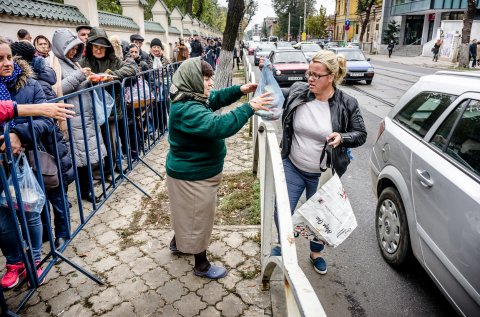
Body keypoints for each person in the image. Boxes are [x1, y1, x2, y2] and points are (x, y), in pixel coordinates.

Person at [166, 57, 272, 279]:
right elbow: (219, 126)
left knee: (185, 213)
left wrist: (240, 90)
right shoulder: (187, 109)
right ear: (193, 80)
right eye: (205, 78)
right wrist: (248, 107)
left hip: (193, 173)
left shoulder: (191, 97)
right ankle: (201, 266)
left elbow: (214, 98)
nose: (211, 82)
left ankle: (178, 243)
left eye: (211, 77)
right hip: (194, 176)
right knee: (198, 219)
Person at [269, 50, 367, 274]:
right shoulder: (298, 92)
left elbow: (360, 133)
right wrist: (260, 91)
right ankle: (285, 245)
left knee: (320, 219)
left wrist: (343, 137)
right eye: (308, 73)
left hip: (323, 173)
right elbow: (276, 96)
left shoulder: (347, 103)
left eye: (316, 75)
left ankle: (315, 253)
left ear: (330, 77)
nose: (310, 79)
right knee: (281, 210)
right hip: (293, 165)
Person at [0, 39, 66, 288]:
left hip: (25, 161)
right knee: (3, 220)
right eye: (0, 60)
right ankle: (14, 262)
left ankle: (35, 260)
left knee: (30, 212)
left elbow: (46, 121)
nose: (7, 64)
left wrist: (18, 134)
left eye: (8, 57)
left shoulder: (30, 84)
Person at [52, 28, 108, 203]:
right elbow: (57, 90)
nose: (74, 51)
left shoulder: (72, 63)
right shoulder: (53, 64)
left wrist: (91, 79)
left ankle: (86, 191)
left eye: (76, 48)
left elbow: (78, 85)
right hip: (70, 119)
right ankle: (64, 196)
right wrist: (80, 75)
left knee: (84, 160)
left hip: (84, 117)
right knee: (70, 160)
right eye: (71, 48)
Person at [81, 27, 136, 175]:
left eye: (101, 48)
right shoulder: (84, 61)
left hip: (111, 108)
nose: (98, 51)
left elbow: (132, 69)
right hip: (91, 108)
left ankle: (115, 165)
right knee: (97, 141)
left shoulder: (114, 60)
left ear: (107, 48)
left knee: (112, 139)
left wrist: (113, 75)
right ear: (90, 47)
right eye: (95, 47)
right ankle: (103, 168)